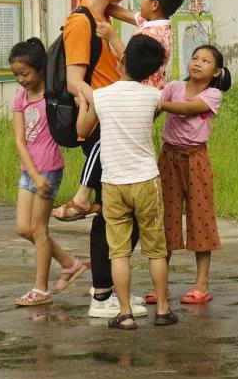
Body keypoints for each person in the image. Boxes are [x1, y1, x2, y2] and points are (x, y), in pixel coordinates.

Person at [57, 0, 147, 319]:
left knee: (120, 210)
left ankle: (108, 291)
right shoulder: (81, 23)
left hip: (112, 119)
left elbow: (128, 14)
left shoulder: (99, 14)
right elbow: (75, 81)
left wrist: (134, 16)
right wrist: (106, 105)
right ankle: (102, 295)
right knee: (113, 213)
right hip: (100, 123)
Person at [53, 0, 185, 221]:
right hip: (138, 95)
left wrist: (112, 38)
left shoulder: (156, 36)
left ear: (155, 4)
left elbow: (133, 64)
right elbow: (124, 13)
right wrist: (95, 0)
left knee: (105, 141)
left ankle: (82, 197)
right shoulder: (153, 23)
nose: (139, 0)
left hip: (139, 96)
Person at [76, 34, 178, 329]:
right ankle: (162, 309)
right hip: (146, 179)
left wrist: (85, 101)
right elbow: (153, 113)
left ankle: (125, 314)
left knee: (118, 252)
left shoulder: (102, 95)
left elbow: (84, 128)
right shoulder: (153, 96)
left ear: (120, 60)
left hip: (113, 183)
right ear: (151, 71)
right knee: (156, 249)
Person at [146, 44, 230, 307]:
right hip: (169, 157)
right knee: (165, 216)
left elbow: (188, 109)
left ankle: (201, 284)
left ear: (216, 71)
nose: (197, 63)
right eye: (195, 58)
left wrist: (161, 103)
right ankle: (160, 285)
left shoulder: (213, 94)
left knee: (200, 216)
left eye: (205, 61)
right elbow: (153, 112)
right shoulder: (172, 88)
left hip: (195, 158)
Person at [8, 38, 89, 306]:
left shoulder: (52, 98)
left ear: (41, 69)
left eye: (25, 73)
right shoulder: (20, 99)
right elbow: (19, 140)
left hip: (49, 169)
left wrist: (39, 175)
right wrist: (32, 173)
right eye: (16, 74)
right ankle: (70, 262)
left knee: (38, 230)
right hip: (30, 171)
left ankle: (40, 290)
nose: (21, 79)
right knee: (24, 228)